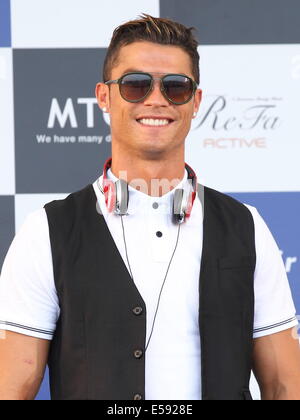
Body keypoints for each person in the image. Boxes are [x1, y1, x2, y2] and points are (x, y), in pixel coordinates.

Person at [0, 14, 300, 401]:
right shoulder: (47, 230)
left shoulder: (247, 226)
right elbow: (12, 385)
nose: (156, 99)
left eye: (176, 87)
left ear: (196, 102)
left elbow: (285, 385)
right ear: (104, 96)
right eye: (135, 85)